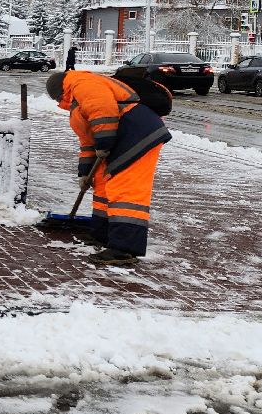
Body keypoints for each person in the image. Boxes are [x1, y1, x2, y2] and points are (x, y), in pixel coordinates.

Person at [45, 69, 171, 267]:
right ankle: (102, 235)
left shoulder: (81, 82)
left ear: (62, 91)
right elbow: (87, 141)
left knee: (125, 190)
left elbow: (103, 111)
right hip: (119, 138)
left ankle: (124, 248)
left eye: (58, 97)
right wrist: (85, 173)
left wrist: (104, 144)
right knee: (102, 184)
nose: (59, 101)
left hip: (138, 134)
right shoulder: (76, 103)